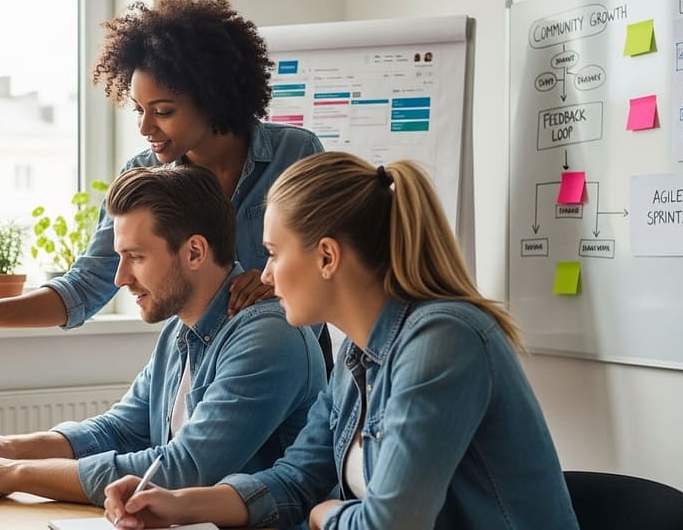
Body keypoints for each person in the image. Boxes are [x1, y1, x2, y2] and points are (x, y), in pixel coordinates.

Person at [103, 153, 579, 529]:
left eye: (272, 253)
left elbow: (391, 523)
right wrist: (178, 505)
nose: (264, 274)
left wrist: (324, 514)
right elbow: (296, 479)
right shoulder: (358, 353)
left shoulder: (442, 342)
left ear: (327, 257)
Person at [0, 0, 329, 370]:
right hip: (205, 373)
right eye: (139, 110)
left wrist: (274, 279)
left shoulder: (295, 154)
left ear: (213, 99)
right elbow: (86, 286)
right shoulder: (144, 178)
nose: (146, 128)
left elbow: (335, 265)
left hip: (291, 372)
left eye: (163, 111)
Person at [0, 165, 326, 506]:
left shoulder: (266, 336)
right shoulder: (180, 329)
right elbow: (121, 429)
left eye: (136, 257)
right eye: (120, 257)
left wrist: (14, 474)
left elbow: (182, 471)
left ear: (195, 252)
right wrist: (9, 447)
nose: (120, 277)